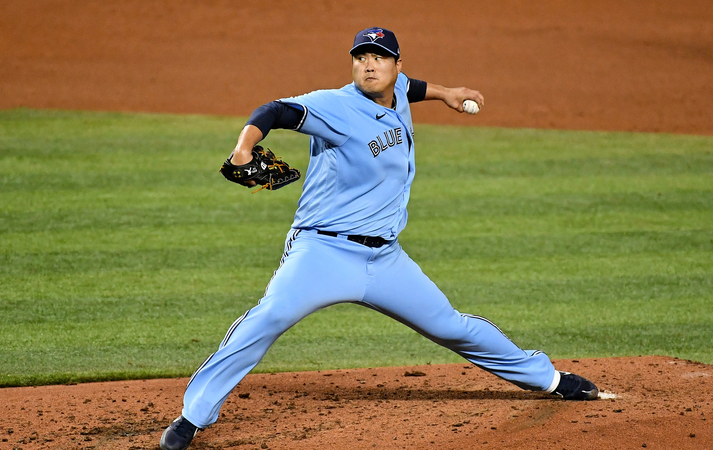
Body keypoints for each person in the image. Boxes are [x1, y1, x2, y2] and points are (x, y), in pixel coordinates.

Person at [160, 27, 598, 450]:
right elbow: (274, 110)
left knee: (451, 326)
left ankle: (550, 379)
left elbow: (411, 88)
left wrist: (446, 93)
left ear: (395, 65)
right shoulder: (335, 106)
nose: (369, 65)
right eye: (361, 57)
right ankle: (193, 417)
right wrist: (244, 147)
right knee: (268, 317)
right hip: (323, 251)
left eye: (379, 57)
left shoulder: (399, 90)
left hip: (385, 259)